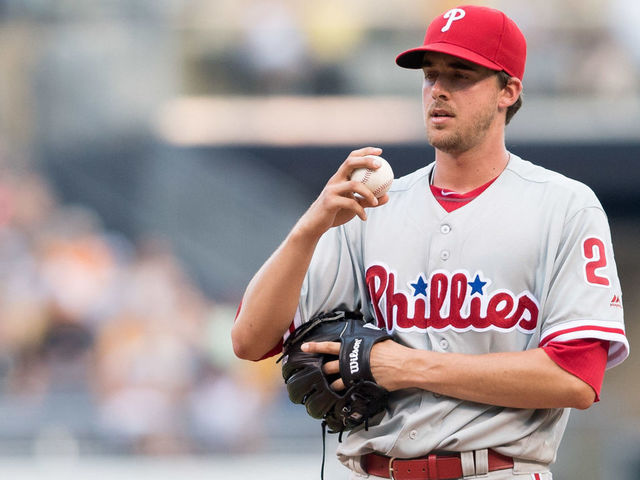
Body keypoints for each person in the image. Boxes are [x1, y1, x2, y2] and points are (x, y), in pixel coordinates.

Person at [232, 5, 629, 480]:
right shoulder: (370, 207)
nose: (438, 90)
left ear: (509, 90)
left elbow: (575, 378)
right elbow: (250, 340)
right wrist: (310, 227)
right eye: (429, 75)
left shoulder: (564, 207)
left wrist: (404, 366)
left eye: (460, 75)